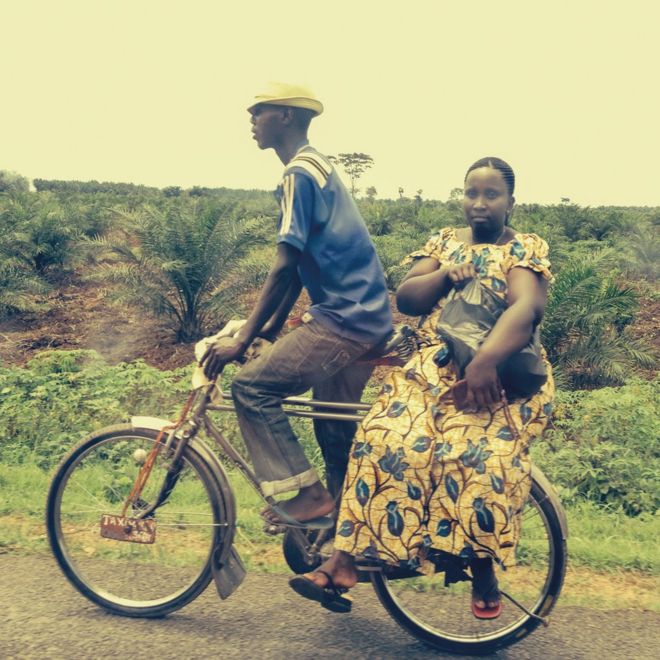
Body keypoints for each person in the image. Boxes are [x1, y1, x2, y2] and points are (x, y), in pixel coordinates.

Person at [288, 157, 555, 619]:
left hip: (499, 376)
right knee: (381, 439)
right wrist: (445, 274)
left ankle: (481, 563)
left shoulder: (524, 250)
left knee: (480, 456)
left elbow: (526, 308)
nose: (479, 203)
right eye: (471, 192)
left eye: (491, 194)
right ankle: (345, 561)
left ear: (512, 201)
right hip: (432, 366)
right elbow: (408, 298)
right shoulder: (445, 243)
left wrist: (485, 363)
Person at [201, 82, 393, 526]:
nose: (251, 121)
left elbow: (284, 266)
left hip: (343, 320)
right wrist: (266, 331)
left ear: (284, 117)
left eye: (259, 112)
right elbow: (298, 265)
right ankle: (346, 536)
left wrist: (242, 340)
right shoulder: (317, 167)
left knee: (250, 387)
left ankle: (306, 498)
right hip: (367, 317)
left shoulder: (297, 175)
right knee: (333, 427)